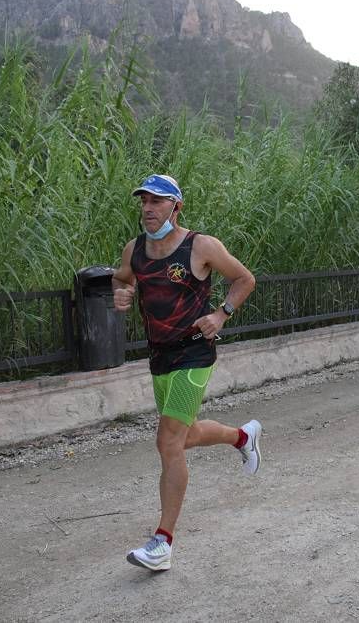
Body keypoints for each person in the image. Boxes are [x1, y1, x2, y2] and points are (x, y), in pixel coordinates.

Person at [111, 174, 260, 572]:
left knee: (168, 442)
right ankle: (242, 437)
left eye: (157, 201)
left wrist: (221, 315)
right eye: (143, 201)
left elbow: (244, 279)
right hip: (159, 356)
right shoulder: (135, 250)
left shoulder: (202, 246)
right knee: (185, 434)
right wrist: (121, 293)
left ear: (176, 207)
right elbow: (122, 278)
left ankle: (162, 543)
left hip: (194, 354)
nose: (147, 208)